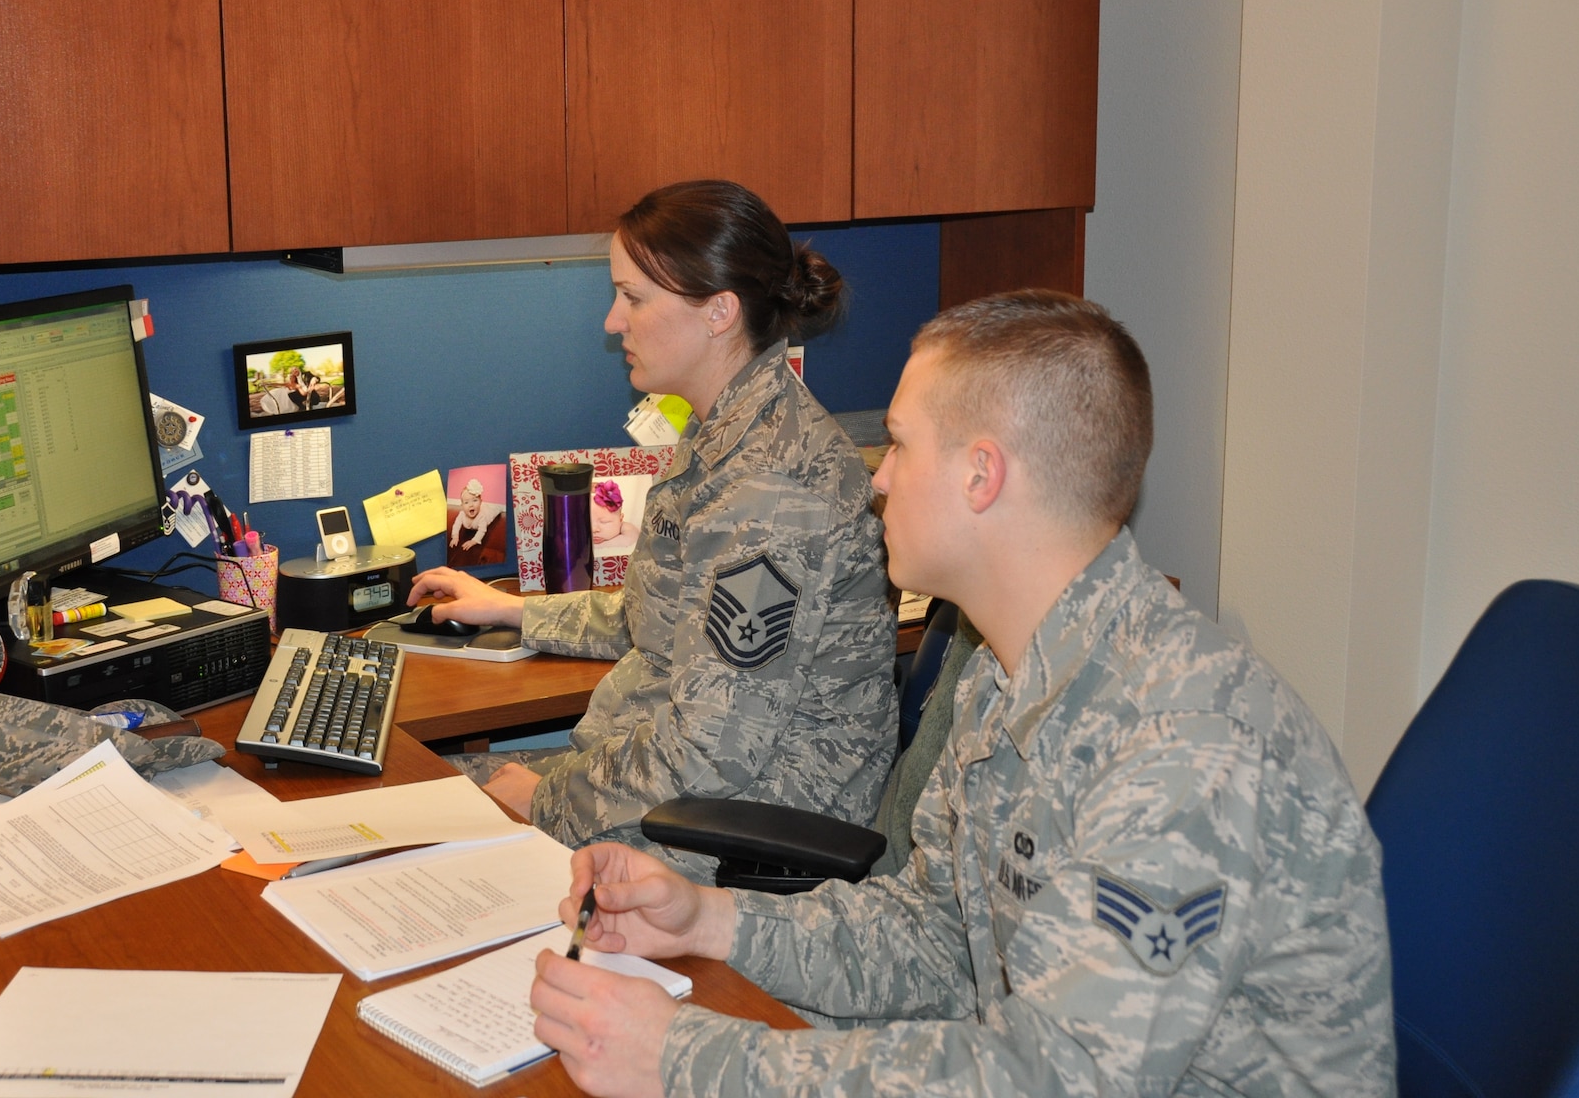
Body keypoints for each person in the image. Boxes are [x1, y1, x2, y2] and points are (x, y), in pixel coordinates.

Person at [527, 291, 1396, 1098]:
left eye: (900, 445)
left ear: (982, 475)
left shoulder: (1188, 748)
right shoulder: (1003, 670)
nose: (876, 478)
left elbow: (1056, 1078)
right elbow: (937, 938)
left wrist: (684, 1058)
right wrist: (706, 921)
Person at [409, 180, 899, 879]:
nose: (613, 321)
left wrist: (547, 800)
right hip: (670, 782)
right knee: (412, 801)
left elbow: (712, 750)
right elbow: (664, 616)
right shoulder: (724, 429)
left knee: (420, 839)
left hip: (739, 826)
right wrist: (514, 612)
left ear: (719, 312)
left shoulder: (770, 488)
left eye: (633, 297)